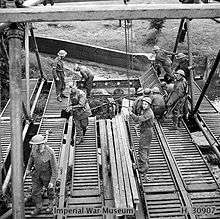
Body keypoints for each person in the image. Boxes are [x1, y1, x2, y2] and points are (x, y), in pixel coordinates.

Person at [26, 133, 58, 216]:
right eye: (33, 145)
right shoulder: (34, 150)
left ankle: (51, 203)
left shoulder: (50, 152)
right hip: (36, 174)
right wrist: (28, 169)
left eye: (36, 145)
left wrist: (52, 181)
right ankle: (38, 207)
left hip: (47, 175)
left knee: (50, 191)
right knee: (35, 191)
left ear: (41, 144)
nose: (34, 146)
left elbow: (55, 169)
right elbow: (31, 159)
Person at [129, 97, 154, 174]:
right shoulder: (145, 111)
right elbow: (143, 121)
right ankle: (144, 161)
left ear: (149, 105)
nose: (144, 105)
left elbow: (138, 119)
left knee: (143, 148)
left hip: (147, 132)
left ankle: (144, 167)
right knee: (145, 148)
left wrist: (131, 114)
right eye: (143, 104)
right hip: (145, 130)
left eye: (146, 104)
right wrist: (139, 125)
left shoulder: (149, 113)